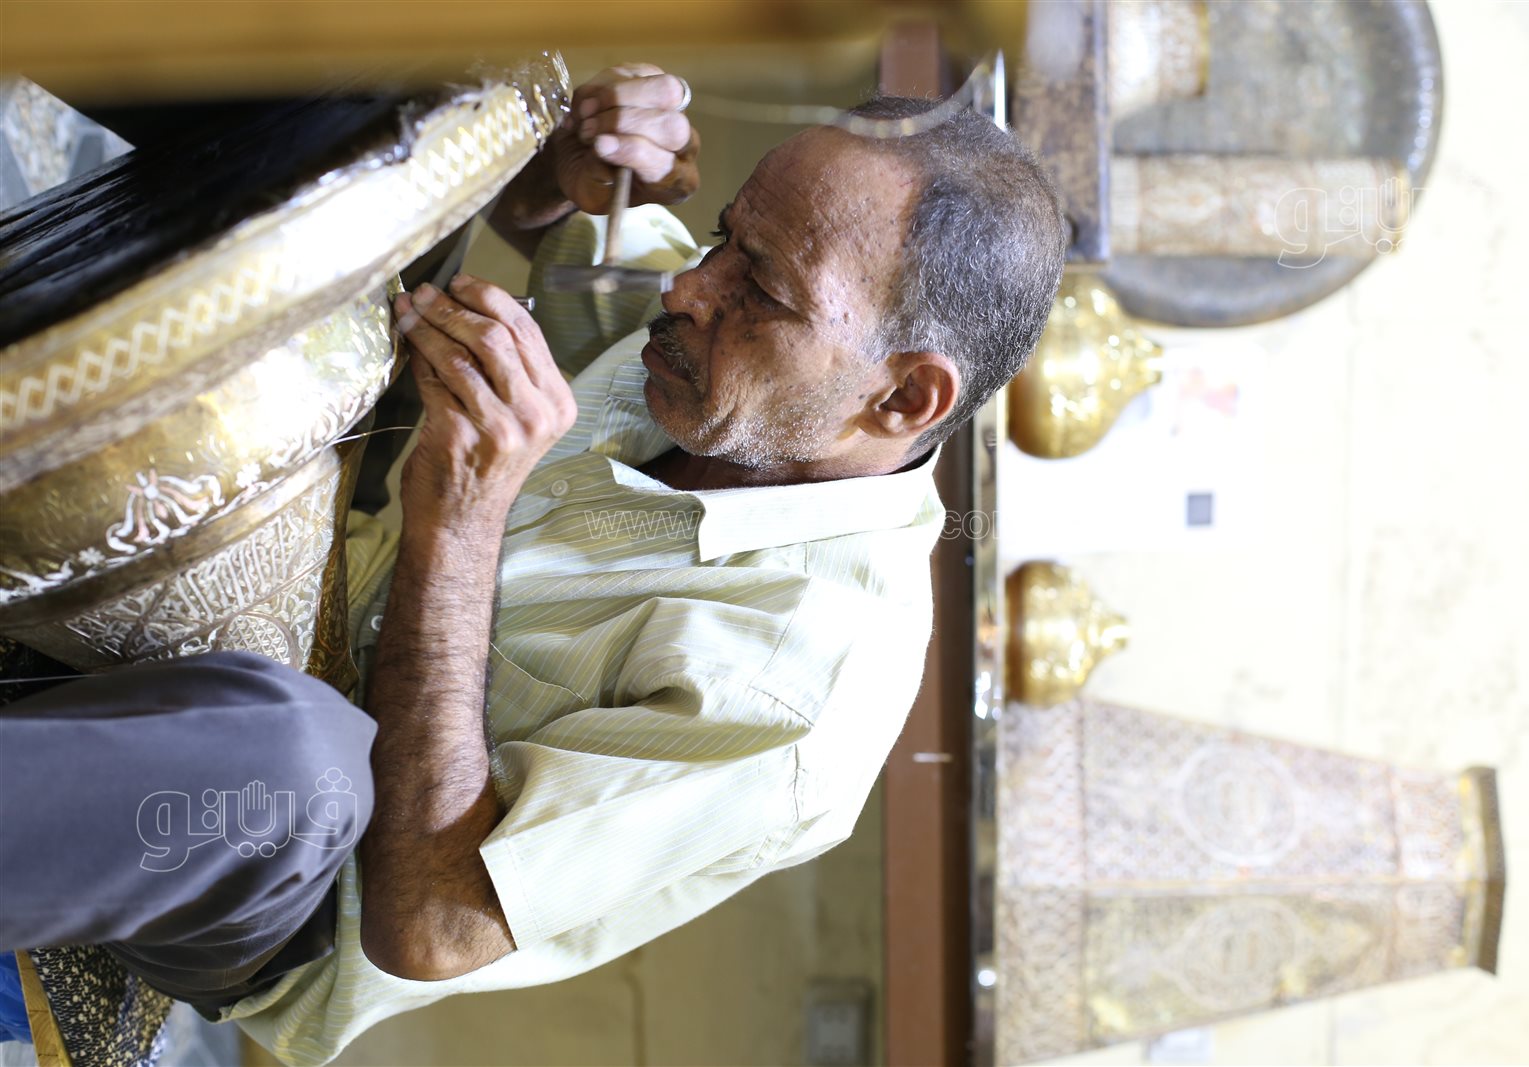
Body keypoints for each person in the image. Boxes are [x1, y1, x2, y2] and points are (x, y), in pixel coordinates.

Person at [0, 63, 1066, 1066]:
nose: (691, 289)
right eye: (721, 234)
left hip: (286, 883)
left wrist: (458, 527)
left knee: (293, 763)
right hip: (307, 589)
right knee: (393, 114)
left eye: (763, 289)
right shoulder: (717, 362)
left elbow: (429, 921)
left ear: (904, 398)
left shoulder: (799, 694)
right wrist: (559, 175)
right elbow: (562, 241)